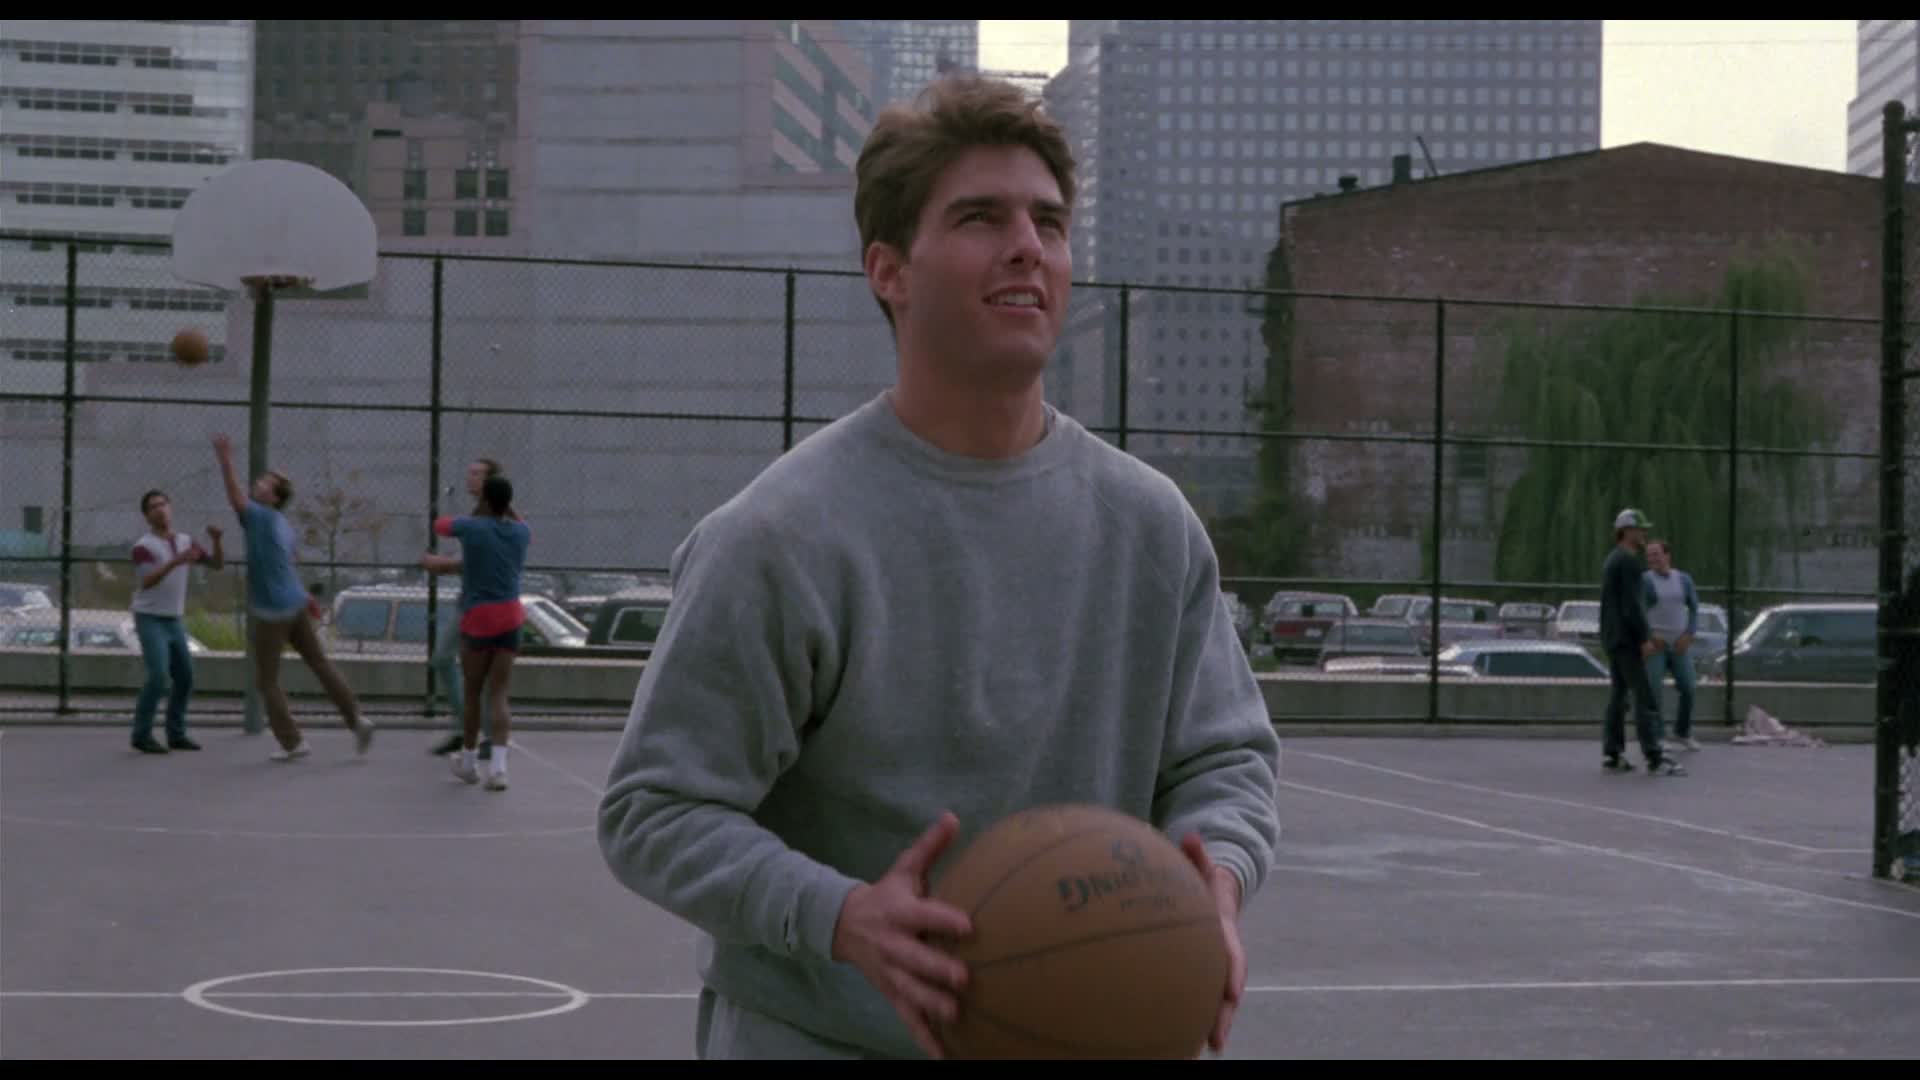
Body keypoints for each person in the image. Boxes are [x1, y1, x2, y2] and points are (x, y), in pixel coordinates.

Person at [596, 74, 1282, 1061]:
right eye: (980, 217)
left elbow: (1225, 761)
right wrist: (839, 916)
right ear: (890, 271)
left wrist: (1212, 879)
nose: (1027, 245)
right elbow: (652, 809)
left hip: (1083, 1033)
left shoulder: (1151, 526)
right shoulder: (782, 536)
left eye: (1049, 222)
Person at [212, 434, 374, 761]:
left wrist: (225, 459)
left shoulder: (260, 516)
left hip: (273, 610)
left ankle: (293, 742)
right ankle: (356, 719)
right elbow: (288, 563)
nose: (258, 484)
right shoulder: (282, 524)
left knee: (266, 680)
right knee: (320, 663)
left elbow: (235, 498)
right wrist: (305, 597)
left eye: (265, 484)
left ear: (273, 498)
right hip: (295, 603)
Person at [425, 474, 529, 792]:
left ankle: (469, 763)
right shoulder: (521, 532)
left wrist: (473, 510)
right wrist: (505, 507)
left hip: (478, 618)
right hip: (511, 617)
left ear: (484, 500)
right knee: (498, 694)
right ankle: (498, 769)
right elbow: (519, 521)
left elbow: (441, 526)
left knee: (472, 694)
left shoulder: (472, 528)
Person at [127, 489, 224, 754]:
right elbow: (147, 581)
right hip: (150, 617)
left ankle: (176, 733)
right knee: (158, 675)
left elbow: (216, 564)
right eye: (153, 507)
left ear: (170, 508)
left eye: (163, 504)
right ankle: (141, 734)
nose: (160, 509)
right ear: (147, 516)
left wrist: (216, 541)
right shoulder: (143, 547)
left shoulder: (185, 541)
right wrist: (176, 561)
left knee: (185, 676)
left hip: (173, 618)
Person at [425, 458, 502, 760]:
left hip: (484, 602)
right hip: (472, 599)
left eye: (477, 474)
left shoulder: (491, 515)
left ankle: (481, 732)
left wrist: (440, 564)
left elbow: (474, 561)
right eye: (469, 472)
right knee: (450, 661)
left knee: (454, 661)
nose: (470, 478)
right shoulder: (478, 514)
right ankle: (467, 727)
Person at [1600, 508, 1684, 775]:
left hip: (1614, 637)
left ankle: (1613, 753)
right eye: (1640, 529)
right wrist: (1644, 639)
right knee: (1643, 696)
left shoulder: (1613, 559)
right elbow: (1632, 606)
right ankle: (1654, 756)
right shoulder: (1627, 562)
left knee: (1619, 695)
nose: (1644, 533)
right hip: (1627, 640)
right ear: (1626, 531)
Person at [1642, 539, 1702, 753]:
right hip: (1656, 645)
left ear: (1667, 555)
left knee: (1688, 687)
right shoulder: (1645, 581)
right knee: (1653, 689)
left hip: (1679, 645)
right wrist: (1649, 637)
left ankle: (1682, 732)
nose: (1652, 559)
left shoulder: (1684, 579)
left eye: (1656, 554)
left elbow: (1694, 608)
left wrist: (1689, 634)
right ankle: (1658, 735)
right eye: (1649, 555)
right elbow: (1638, 612)